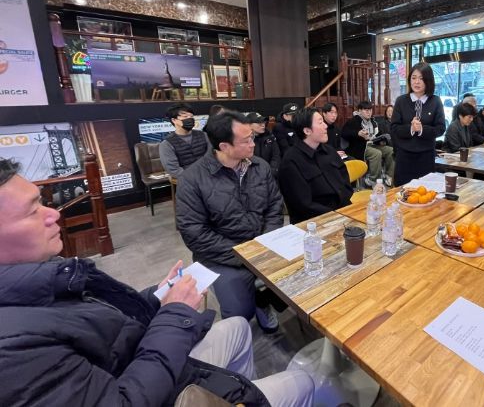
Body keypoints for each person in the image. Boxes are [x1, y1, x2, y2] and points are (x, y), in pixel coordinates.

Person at [0, 158, 314, 407]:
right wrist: (175, 313)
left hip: (152, 362)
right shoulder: (13, 349)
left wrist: (157, 297)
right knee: (303, 382)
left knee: (238, 328)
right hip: (157, 389)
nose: (53, 214)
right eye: (32, 210)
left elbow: (105, 325)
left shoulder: (49, 272)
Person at [176, 111, 283, 331]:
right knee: (239, 314)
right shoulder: (192, 180)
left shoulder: (259, 166)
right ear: (224, 146)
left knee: (302, 277)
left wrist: (266, 240)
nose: (253, 144)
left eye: (252, 137)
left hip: (262, 244)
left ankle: (263, 300)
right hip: (223, 256)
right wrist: (244, 255)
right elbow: (194, 233)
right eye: (246, 141)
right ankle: (253, 304)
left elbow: (274, 206)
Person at [278, 108, 354, 223]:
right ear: (307, 131)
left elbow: (345, 182)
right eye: (320, 122)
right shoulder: (290, 161)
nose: (325, 126)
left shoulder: (329, 151)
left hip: (343, 211)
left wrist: (343, 209)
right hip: (314, 221)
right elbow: (303, 205)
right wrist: (335, 215)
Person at [390, 62, 446, 186]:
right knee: (402, 191)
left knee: (425, 191)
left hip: (426, 156)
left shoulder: (435, 101)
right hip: (404, 156)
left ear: (428, 81)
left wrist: (422, 129)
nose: (417, 82)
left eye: (421, 78)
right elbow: (394, 128)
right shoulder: (401, 101)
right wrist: (410, 128)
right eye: (414, 78)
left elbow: (441, 128)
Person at [342, 101, 394, 187]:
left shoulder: (373, 121)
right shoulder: (353, 120)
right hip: (360, 147)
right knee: (376, 153)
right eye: (366, 110)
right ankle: (372, 179)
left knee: (390, 150)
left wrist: (381, 139)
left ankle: (388, 176)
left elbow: (376, 134)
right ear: (360, 111)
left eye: (370, 110)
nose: (369, 112)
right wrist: (357, 133)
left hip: (372, 144)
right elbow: (344, 133)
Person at [159, 102, 210, 179]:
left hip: (209, 175)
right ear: (174, 120)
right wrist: (196, 178)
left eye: (191, 116)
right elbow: (174, 170)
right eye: (185, 116)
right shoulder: (166, 144)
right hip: (188, 180)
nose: (190, 119)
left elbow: (213, 156)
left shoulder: (204, 135)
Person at [247, 112, 281, 179]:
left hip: (270, 176)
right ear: (249, 124)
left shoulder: (270, 137)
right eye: (259, 123)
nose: (263, 125)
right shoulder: (244, 141)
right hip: (252, 178)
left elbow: (276, 156)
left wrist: (271, 172)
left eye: (263, 122)